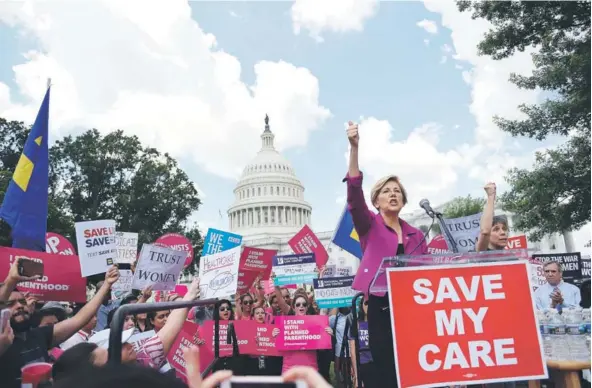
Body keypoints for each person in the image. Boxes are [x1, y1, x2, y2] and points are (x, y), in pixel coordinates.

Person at [344, 120, 428, 387]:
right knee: (387, 368)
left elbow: (428, 270)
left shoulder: (416, 234)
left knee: (415, 365)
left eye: (397, 192)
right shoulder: (369, 225)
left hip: (413, 308)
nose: (393, 195)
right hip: (382, 306)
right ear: (376, 200)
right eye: (386, 191)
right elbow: (353, 194)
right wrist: (354, 148)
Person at [0, 260, 120, 388]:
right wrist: (11, 281)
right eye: (10, 303)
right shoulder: (3, 344)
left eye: (22, 301)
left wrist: (106, 284)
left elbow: (79, 319)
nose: (19, 306)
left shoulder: (39, 335)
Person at [476, 182, 510, 252]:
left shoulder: (513, 257)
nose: (503, 232)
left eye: (504, 228)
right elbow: (485, 232)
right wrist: (491, 196)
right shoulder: (481, 255)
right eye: (496, 229)